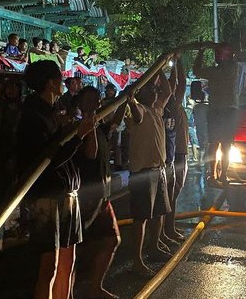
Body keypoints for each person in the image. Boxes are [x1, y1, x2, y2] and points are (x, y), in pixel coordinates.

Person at [16, 60, 96, 299]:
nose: (64, 82)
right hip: (48, 197)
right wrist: (77, 136)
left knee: (68, 259)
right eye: (60, 79)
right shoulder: (33, 116)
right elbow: (47, 158)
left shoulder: (54, 112)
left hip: (67, 194)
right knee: (49, 266)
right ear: (51, 83)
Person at [73, 86, 127, 299]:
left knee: (111, 239)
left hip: (102, 196)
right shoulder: (78, 128)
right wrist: (90, 122)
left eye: (97, 100)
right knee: (78, 245)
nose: (96, 104)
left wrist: (124, 100)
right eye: (91, 100)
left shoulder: (100, 127)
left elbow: (114, 123)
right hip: (85, 197)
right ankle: (71, 287)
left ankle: (94, 286)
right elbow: (90, 153)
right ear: (80, 103)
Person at [126, 69, 172, 275]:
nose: (155, 92)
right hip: (143, 172)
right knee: (141, 217)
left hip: (158, 169)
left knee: (160, 211)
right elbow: (135, 110)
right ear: (141, 94)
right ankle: (137, 261)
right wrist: (132, 99)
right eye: (151, 90)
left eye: (155, 89)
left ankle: (153, 248)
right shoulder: (141, 110)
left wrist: (159, 69)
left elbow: (168, 91)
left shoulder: (157, 110)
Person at [193, 42, 240, 185]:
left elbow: (197, 70)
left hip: (218, 111)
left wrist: (201, 52)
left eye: (219, 53)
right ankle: (222, 176)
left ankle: (215, 176)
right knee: (225, 144)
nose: (216, 56)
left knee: (215, 144)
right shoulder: (233, 68)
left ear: (227, 55)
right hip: (229, 110)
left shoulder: (219, 71)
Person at [164, 56, 188, 241]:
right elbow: (180, 83)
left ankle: (167, 229)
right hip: (176, 153)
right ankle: (168, 229)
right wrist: (177, 62)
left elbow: (177, 82)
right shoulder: (172, 105)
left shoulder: (170, 105)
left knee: (173, 192)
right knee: (173, 191)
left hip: (178, 151)